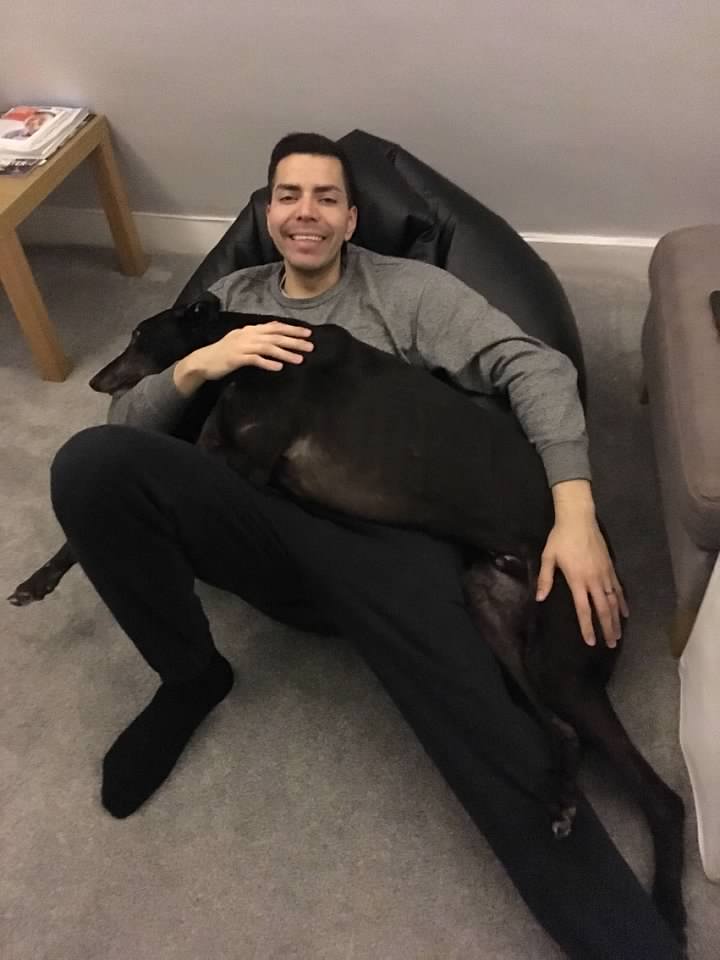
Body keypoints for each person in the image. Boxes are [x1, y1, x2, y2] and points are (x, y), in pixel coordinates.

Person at [50, 133, 681, 959]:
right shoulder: (228, 297)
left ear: (352, 219)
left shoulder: (405, 291)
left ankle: (629, 941)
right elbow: (132, 423)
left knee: (488, 719)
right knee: (89, 466)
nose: (305, 212)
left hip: (383, 540)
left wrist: (574, 511)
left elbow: (535, 367)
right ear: (266, 213)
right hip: (257, 516)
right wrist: (200, 366)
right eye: (288, 196)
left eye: (326, 198)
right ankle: (190, 677)